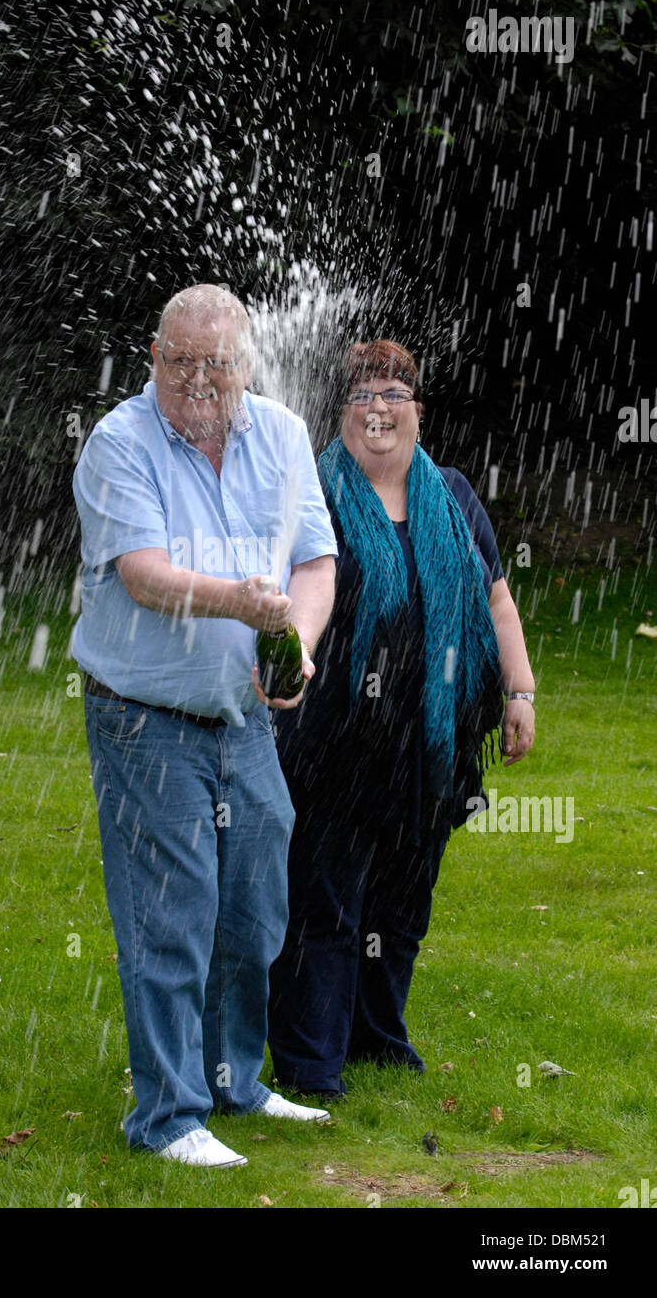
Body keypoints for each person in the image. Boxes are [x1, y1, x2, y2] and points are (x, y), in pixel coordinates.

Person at [72, 284, 337, 1166]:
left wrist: (293, 638)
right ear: (153, 359)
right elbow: (144, 575)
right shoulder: (119, 442)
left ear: (245, 364)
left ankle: (233, 1080)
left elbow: (313, 558)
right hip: (143, 716)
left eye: (214, 364)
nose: (196, 380)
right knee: (170, 912)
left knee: (256, 909)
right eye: (177, 361)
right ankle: (168, 1116)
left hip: (242, 717)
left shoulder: (285, 435)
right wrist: (244, 604)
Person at [267, 340, 535, 1099]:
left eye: (393, 392)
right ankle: (310, 1062)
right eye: (360, 394)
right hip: (335, 744)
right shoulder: (311, 492)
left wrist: (519, 693)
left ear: (418, 408)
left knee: (400, 906)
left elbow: (495, 598)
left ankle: (377, 1041)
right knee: (326, 902)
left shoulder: (449, 494)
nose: (377, 407)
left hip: (430, 743)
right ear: (340, 410)